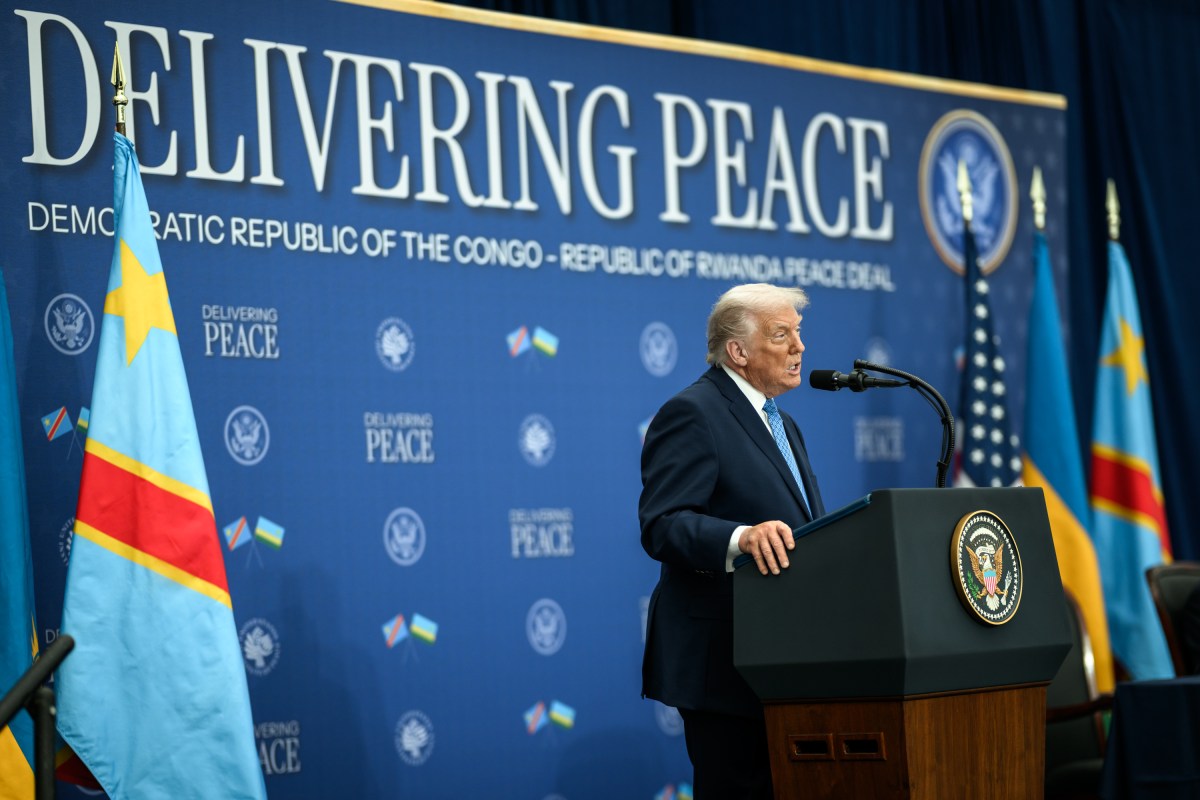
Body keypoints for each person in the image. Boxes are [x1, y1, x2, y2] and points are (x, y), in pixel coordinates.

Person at [639, 283, 825, 799]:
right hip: (726, 659)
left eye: (799, 333)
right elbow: (663, 524)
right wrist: (742, 538)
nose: (799, 348)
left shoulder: (781, 422)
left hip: (785, 653)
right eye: (782, 335)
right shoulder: (694, 412)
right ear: (738, 352)